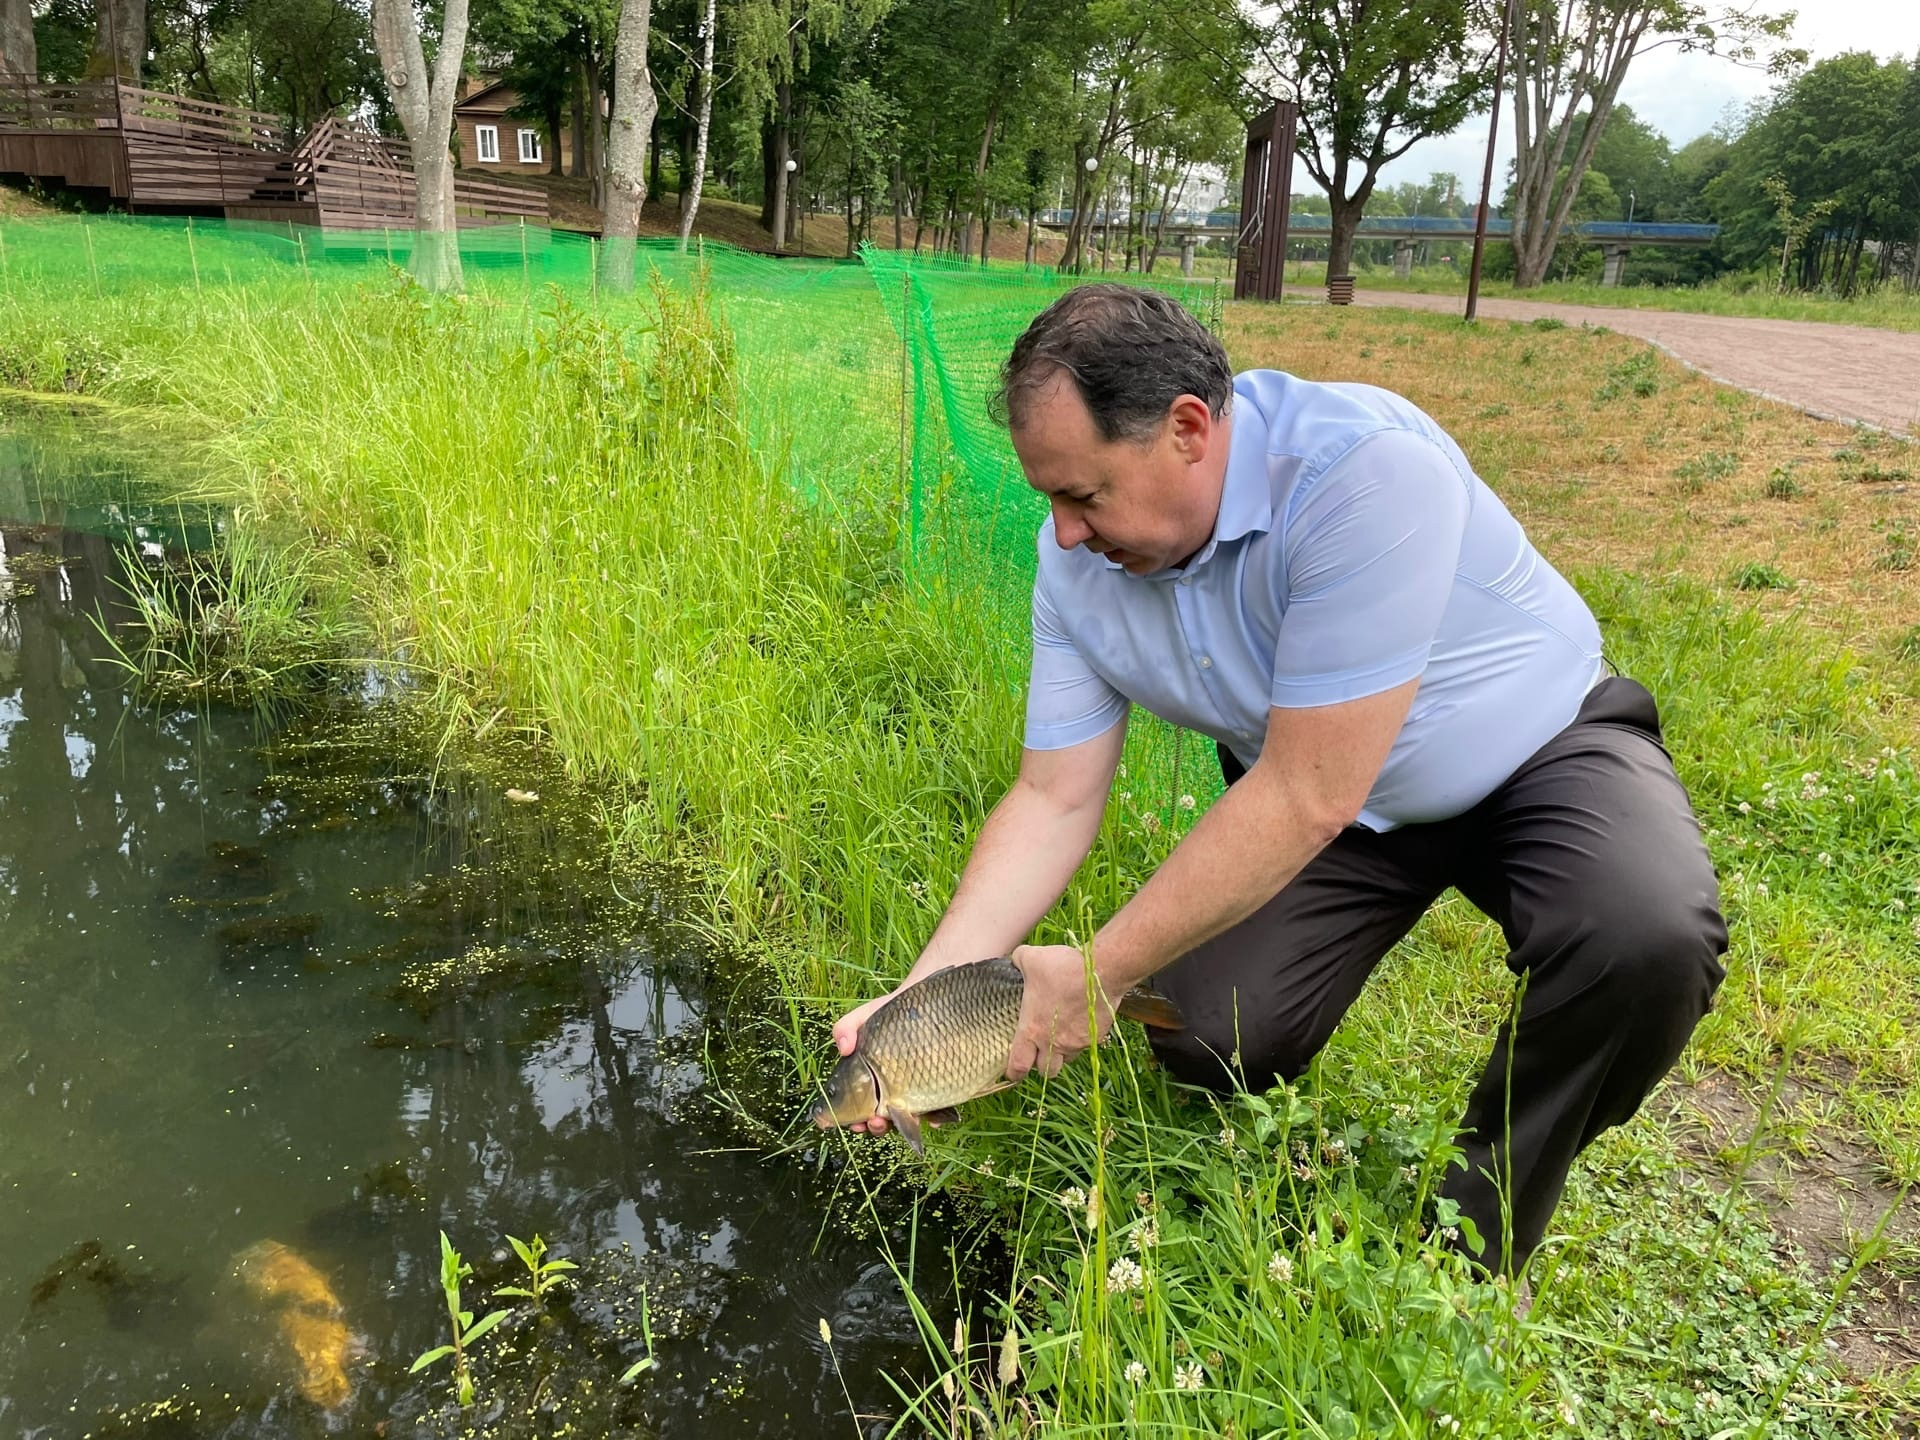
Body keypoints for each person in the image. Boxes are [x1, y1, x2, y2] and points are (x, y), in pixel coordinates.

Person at [830, 283, 1727, 1273]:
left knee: (1647, 937)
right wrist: (916, 1003)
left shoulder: (1361, 472)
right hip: (1328, 803)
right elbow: (1054, 796)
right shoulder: (1075, 568)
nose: (1067, 532)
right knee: (1203, 1028)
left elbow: (1308, 791)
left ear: (1187, 430)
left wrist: (1096, 972)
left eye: (1084, 495)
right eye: (1051, 497)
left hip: (1534, 751)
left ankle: (1475, 1238)